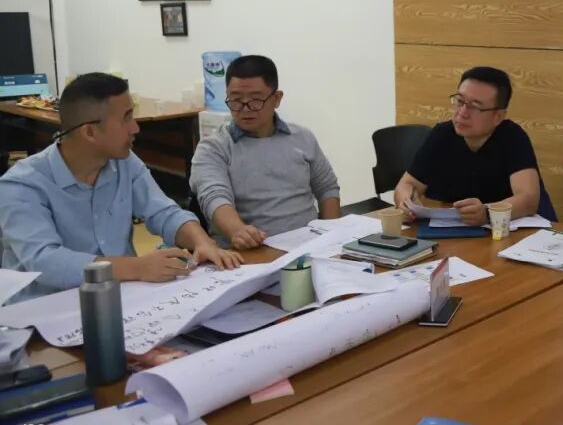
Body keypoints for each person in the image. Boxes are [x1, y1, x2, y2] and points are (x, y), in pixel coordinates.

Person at [0, 73, 242, 302]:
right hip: (44, 308)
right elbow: (45, 261)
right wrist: (137, 267)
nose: (135, 127)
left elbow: (164, 212)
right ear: (90, 132)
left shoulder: (123, 162)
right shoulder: (22, 184)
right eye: (126, 118)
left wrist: (202, 242)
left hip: (121, 297)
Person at [190, 55, 340, 249]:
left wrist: (331, 237)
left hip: (308, 247)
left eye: (255, 100)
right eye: (236, 100)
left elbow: (327, 189)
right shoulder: (213, 147)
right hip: (250, 252)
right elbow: (214, 197)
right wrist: (237, 231)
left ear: (276, 99)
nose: (245, 108)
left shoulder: (303, 138)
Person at [394, 66, 557, 224]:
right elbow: (407, 184)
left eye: (474, 106)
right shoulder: (442, 135)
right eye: (460, 101)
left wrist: (487, 213)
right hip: (456, 231)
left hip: (507, 231)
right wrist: (406, 202)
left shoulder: (513, 137)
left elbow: (528, 199)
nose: (462, 112)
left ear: (498, 116)